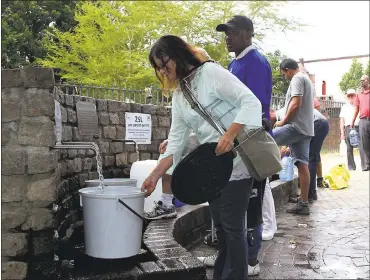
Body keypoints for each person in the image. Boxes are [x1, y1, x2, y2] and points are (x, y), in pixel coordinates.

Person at [142, 35, 262, 280]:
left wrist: (231, 133)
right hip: (213, 168)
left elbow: (250, 102)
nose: (163, 71)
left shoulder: (210, 73)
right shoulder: (180, 94)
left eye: (165, 64)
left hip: (238, 161)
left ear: (178, 55)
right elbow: (175, 143)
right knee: (222, 228)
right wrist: (155, 175)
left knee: (231, 226)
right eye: (158, 67)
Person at [197, 15, 273, 276]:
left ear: (249, 34)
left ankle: (250, 260)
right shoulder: (235, 63)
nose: (228, 37)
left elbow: (252, 105)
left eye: (234, 32)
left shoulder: (255, 62)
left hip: (248, 143)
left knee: (249, 207)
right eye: (226, 33)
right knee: (234, 216)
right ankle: (231, 263)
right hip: (235, 142)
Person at [144, 48, 211, 220]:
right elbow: (181, 127)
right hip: (202, 137)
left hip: (225, 140)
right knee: (169, 150)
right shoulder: (181, 92)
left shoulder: (213, 82)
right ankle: (166, 203)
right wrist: (154, 174)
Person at [272, 58, 314, 215]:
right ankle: (303, 204)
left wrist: (283, 121)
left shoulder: (297, 78)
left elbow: (296, 103)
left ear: (288, 69)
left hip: (296, 127)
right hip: (306, 130)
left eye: (284, 74)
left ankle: (261, 178)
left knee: (266, 140)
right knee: (302, 165)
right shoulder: (306, 79)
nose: (285, 77)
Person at [351, 75, 370, 171]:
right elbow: (356, 109)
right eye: (360, 80)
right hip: (363, 121)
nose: (361, 82)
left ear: (367, 81)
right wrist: (353, 121)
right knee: (364, 143)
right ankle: (366, 165)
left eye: (363, 80)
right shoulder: (359, 94)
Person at [339, 89, 360, 170]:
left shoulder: (358, 105)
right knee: (349, 148)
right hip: (348, 127)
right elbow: (342, 120)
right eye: (349, 96)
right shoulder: (344, 107)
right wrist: (342, 133)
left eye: (353, 95)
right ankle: (351, 166)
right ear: (347, 97)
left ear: (355, 96)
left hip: (358, 126)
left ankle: (365, 165)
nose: (351, 97)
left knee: (362, 146)